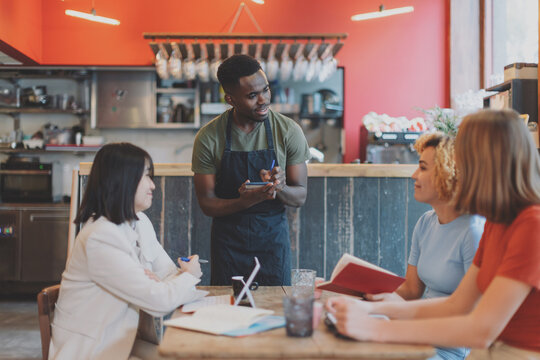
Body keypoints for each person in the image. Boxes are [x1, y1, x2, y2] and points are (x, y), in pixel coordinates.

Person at [326, 109, 540, 359]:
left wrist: (376, 327)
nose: (458, 170)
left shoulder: (531, 225)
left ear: (488, 163)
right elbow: (456, 305)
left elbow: (481, 330)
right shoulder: (497, 222)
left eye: (465, 158)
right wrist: (369, 310)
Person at [50, 143, 204, 360]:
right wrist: (188, 275)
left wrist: (168, 283)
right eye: (146, 177)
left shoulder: (140, 221)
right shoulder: (100, 237)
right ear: (123, 181)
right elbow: (160, 302)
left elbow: (167, 274)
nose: (153, 185)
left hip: (124, 343)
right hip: (95, 351)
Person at [364, 132, 485, 359]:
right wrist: (359, 292)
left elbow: (477, 315)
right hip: (417, 335)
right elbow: (411, 290)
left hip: (451, 349)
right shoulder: (426, 222)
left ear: (449, 174)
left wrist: (390, 312)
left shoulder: (473, 232)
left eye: (422, 167)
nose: (413, 175)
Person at [191, 54, 310, 286]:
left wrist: (281, 187)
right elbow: (207, 203)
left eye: (265, 90)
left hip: (272, 244)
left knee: (275, 314)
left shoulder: (288, 131)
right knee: (227, 313)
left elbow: (300, 196)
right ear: (230, 99)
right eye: (252, 96)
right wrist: (244, 201)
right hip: (228, 244)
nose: (263, 100)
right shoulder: (208, 138)